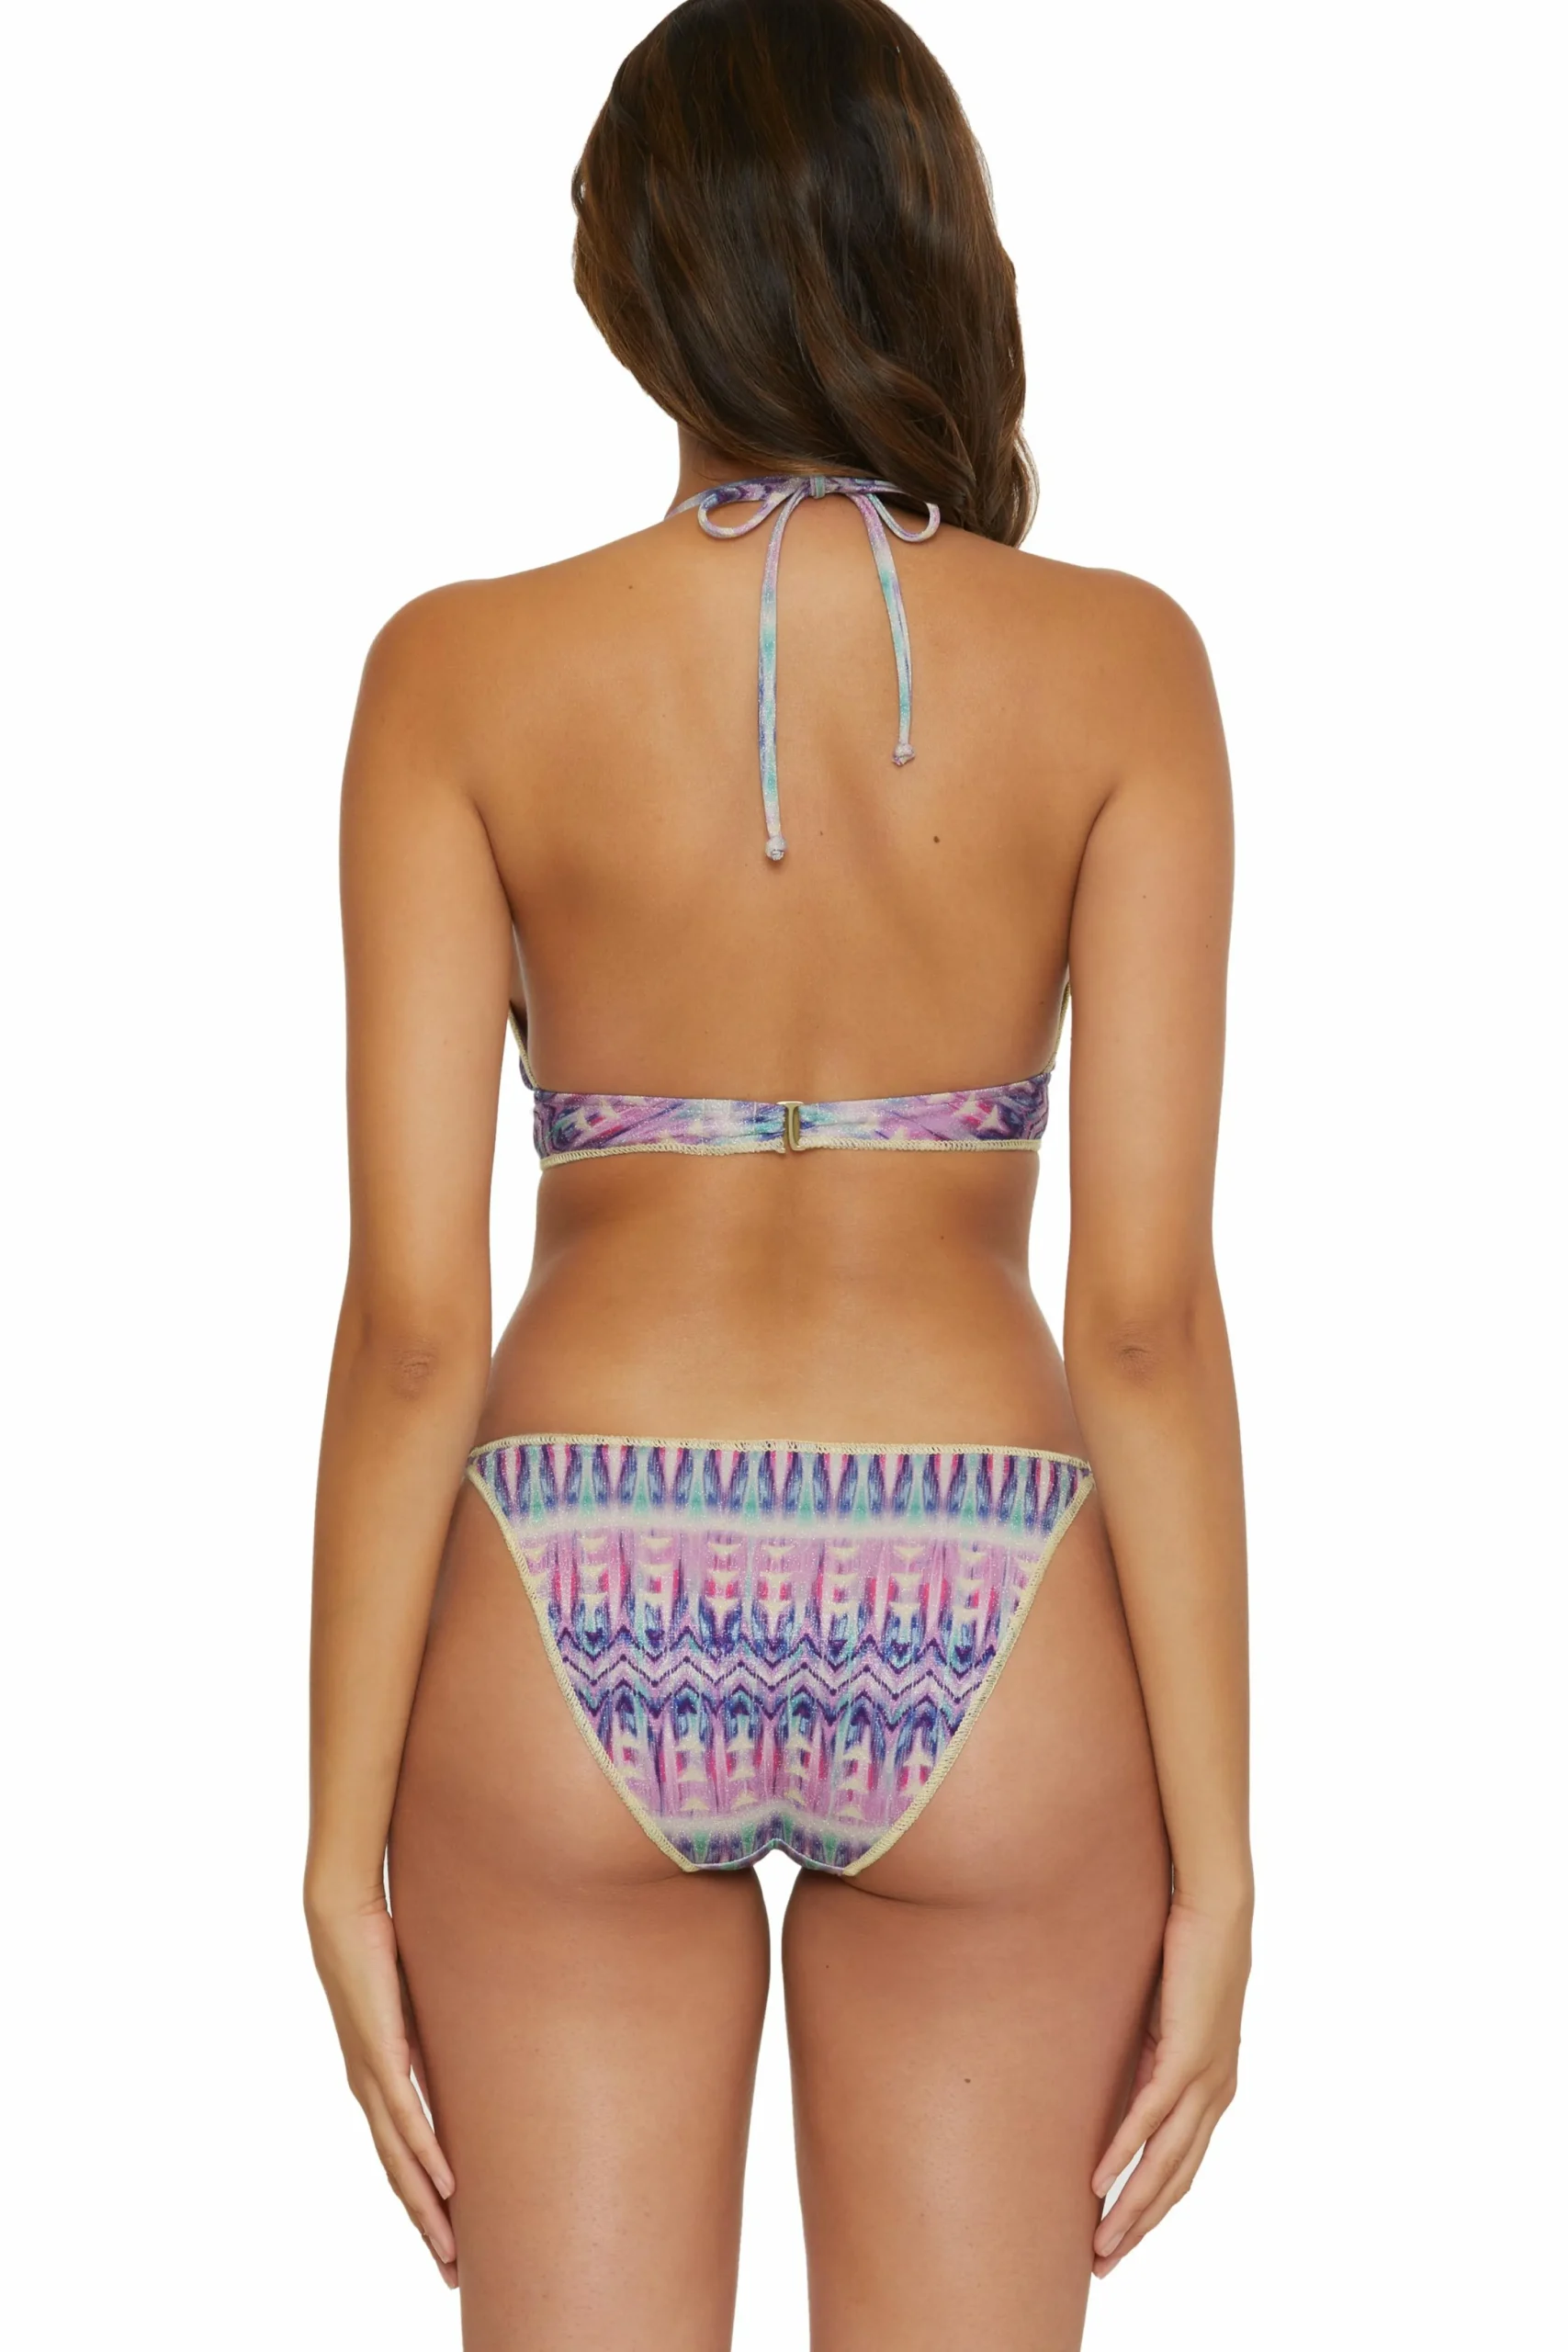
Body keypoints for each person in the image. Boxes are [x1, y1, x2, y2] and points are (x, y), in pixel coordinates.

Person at [305, 3, 1251, 2345]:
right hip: (990, 1591)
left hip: (567, 1577)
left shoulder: (456, 674)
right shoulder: (1122, 667)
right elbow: (1142, 1317)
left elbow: (414, 1321)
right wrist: (1224, 1856)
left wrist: (333, 1836)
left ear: (643, 279)